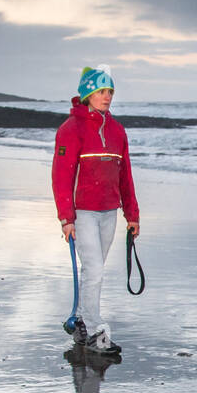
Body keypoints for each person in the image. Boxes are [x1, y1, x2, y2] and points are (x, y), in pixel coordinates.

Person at [52, 67, 141, 353]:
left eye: (110, 92)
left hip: (109, 213)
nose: (107, 97)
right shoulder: (71, 129)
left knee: (94, 270)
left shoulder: (117, 131)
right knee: (95, 269)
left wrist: (132, 215)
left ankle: (79, 321)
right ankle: (94, 331)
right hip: (83, 213)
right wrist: (66, 218)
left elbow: (125, 176)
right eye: (102, 91)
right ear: (88, 94)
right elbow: (61, 176)